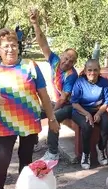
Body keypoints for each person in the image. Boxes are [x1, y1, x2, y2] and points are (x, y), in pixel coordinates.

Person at [0, 28, 59, 189]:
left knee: (26, 158)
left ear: (19, 46)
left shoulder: (30, 65)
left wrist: (52, 118)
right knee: (2, 159)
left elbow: (43, 95)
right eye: (6, 46)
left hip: (29, 122)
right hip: (5, 124)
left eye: (14, 45)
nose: (11, 49)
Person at [29, 9, 78, 162]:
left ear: (74, 64)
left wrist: (50, 113)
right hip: (57, 102)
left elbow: (63, 100)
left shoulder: (71, 75)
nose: (67, 62)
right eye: (66, 57)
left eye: (71, 61)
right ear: (61, 55)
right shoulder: (55, 61)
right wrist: (35, 23)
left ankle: (53, 152)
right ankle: (33, 141)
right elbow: (43, 43)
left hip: (70, 106)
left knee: (54, 117)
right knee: (33, 109)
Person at [71, 60, 108, 169]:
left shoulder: (104, 82)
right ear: (85, 71)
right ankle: (86, 154)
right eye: (89, 70)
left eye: (95, 70)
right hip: (80, 110)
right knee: (87, 126)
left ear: (99, 71)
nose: (92, 73)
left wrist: (99, 113)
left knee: (107, 124)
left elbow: (106, 102)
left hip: (98, 109)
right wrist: (86, 114)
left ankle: (101, 148)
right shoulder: (79, 82)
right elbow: (74, 103)